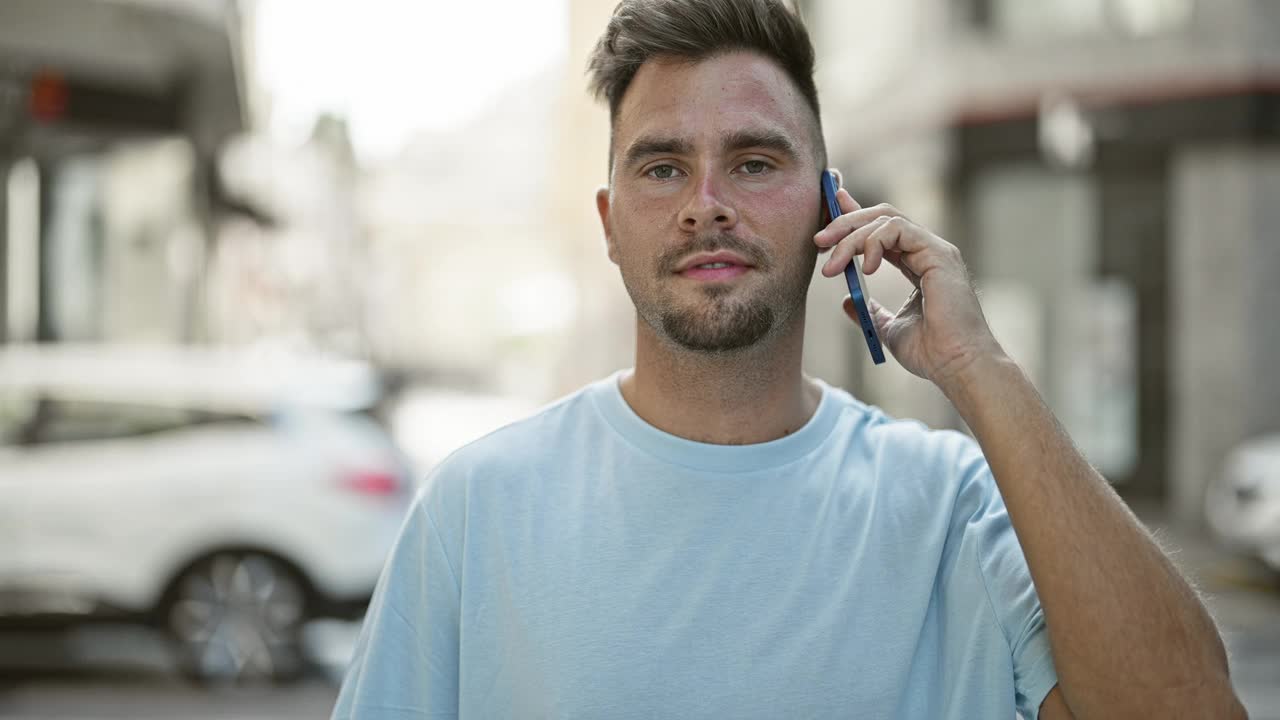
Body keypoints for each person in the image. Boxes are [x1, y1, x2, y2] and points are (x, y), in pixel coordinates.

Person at [332, 1, 1244, 717]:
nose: (706, 204)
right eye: (662, 168)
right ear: (610, 227)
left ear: (829, 207)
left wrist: (982, 369)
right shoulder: (475, 508)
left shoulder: (953, 508)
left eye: (756, 162)